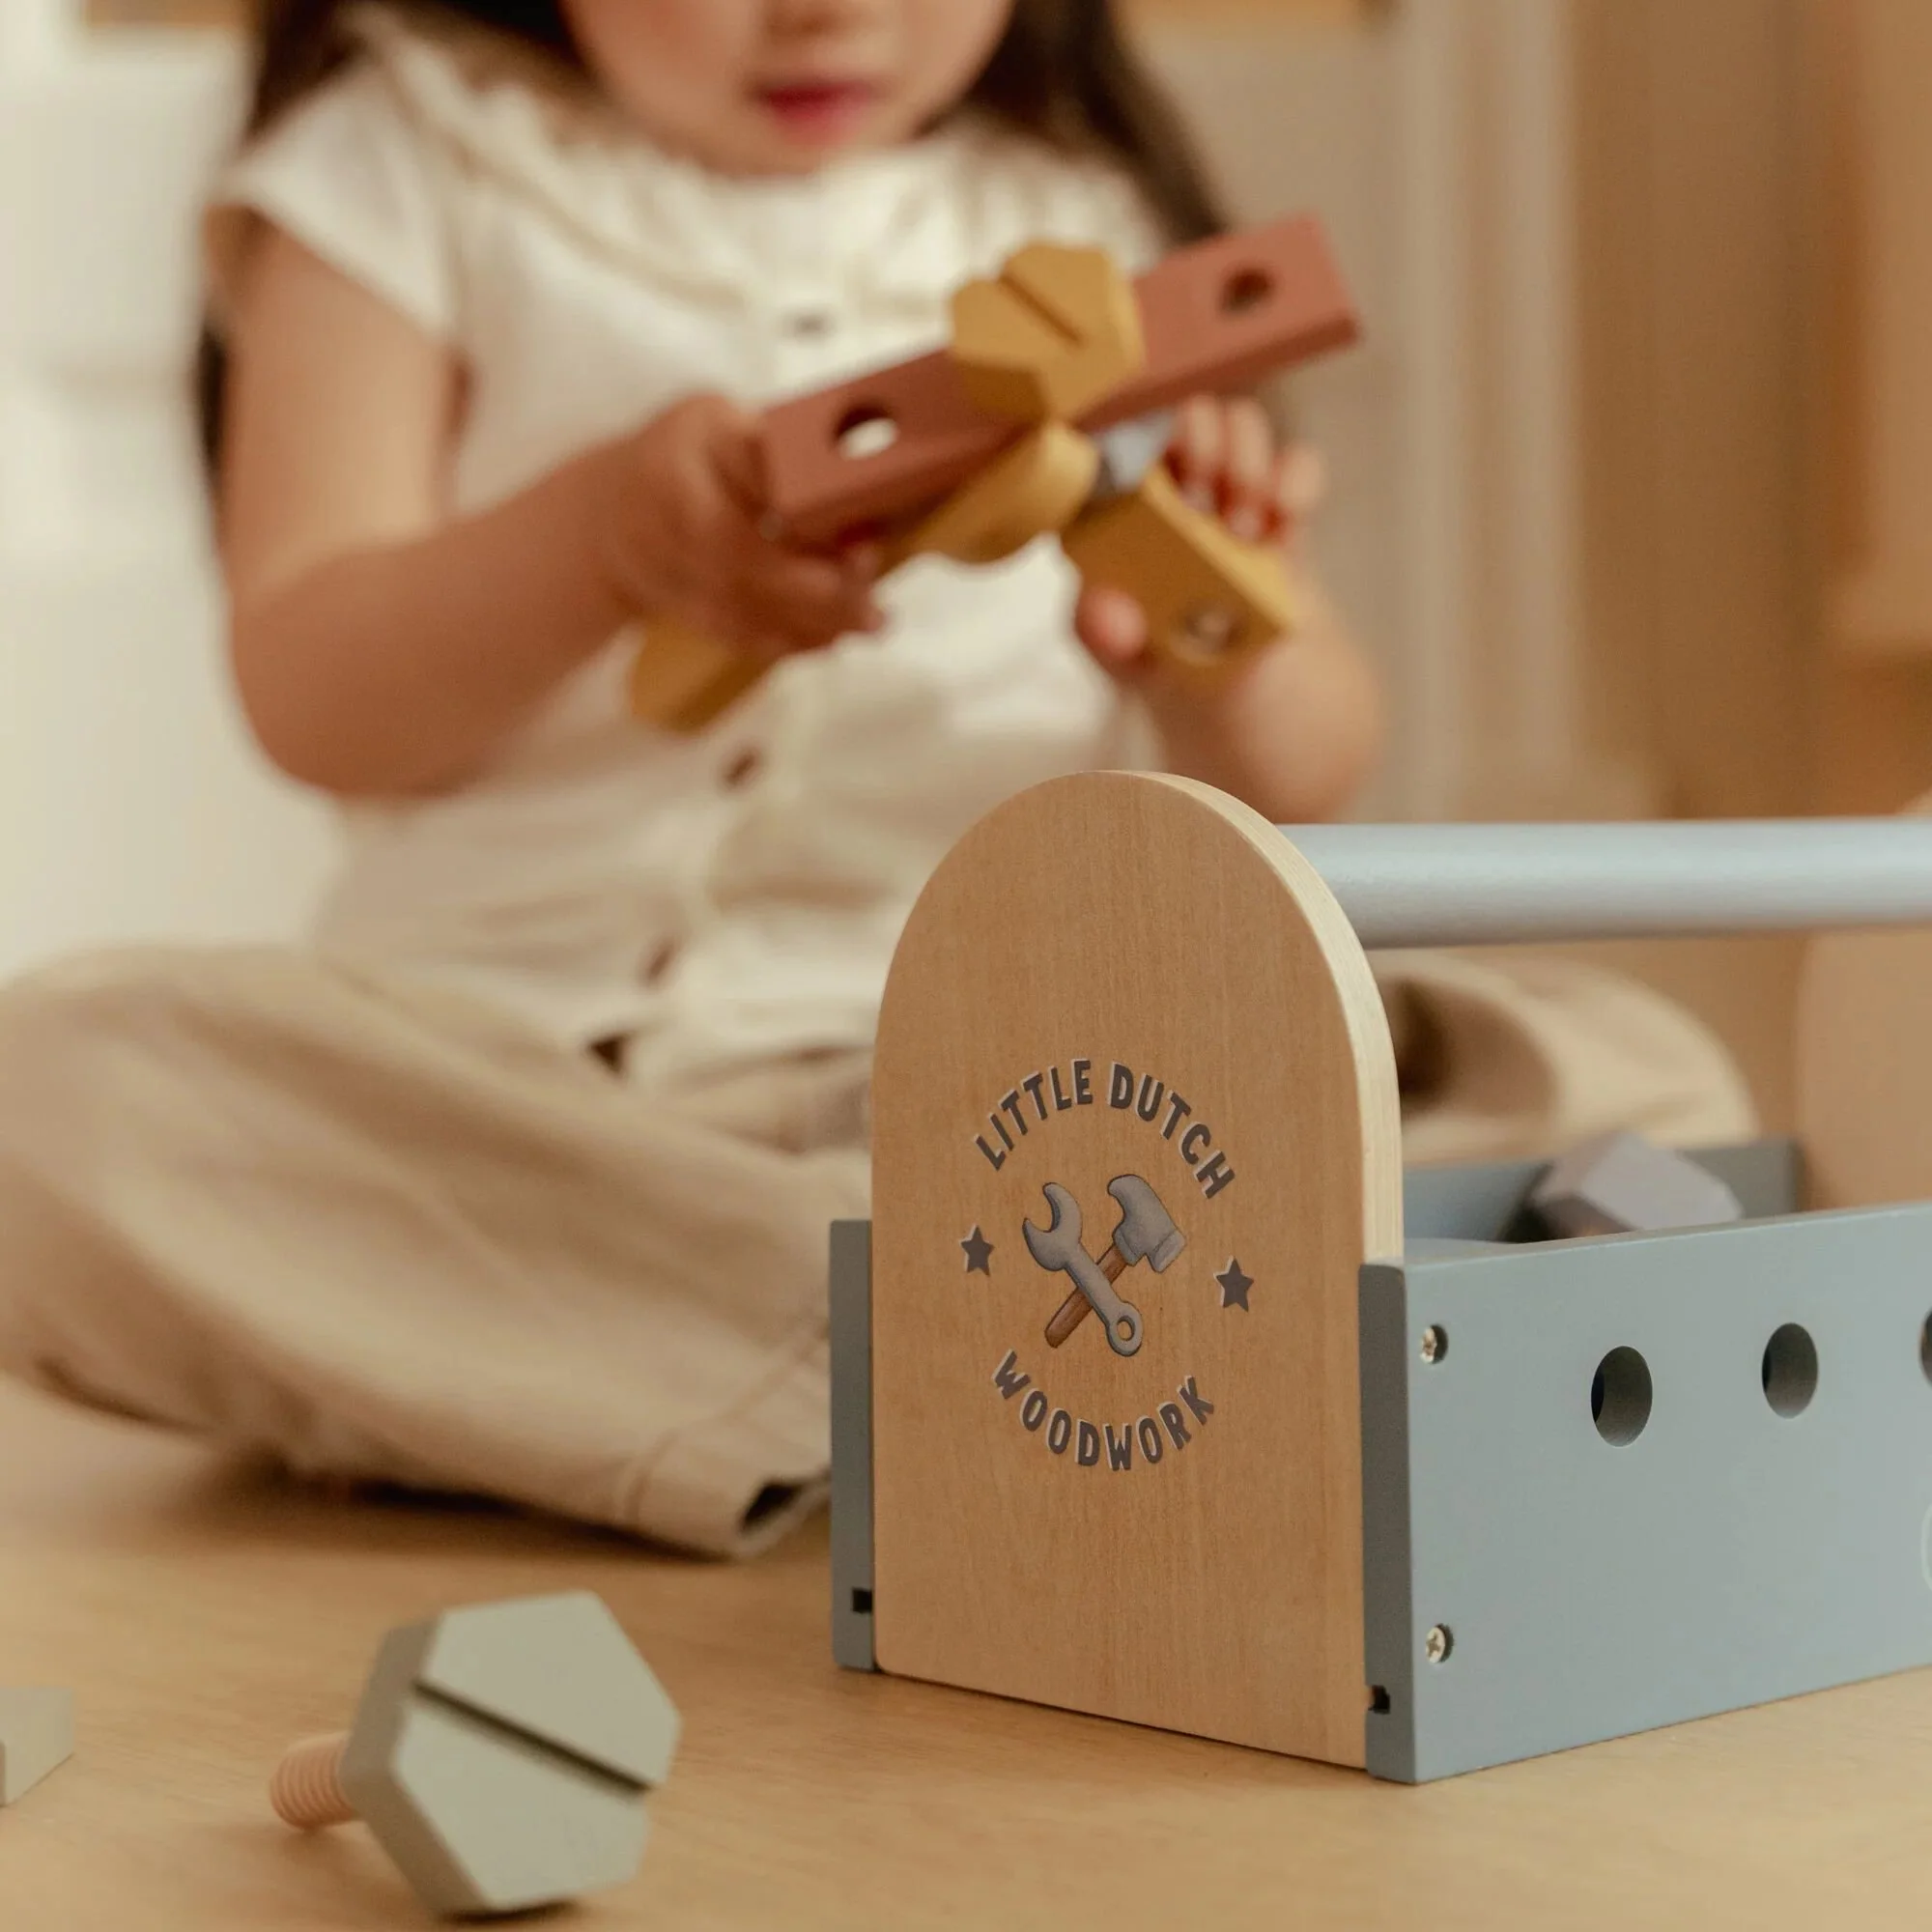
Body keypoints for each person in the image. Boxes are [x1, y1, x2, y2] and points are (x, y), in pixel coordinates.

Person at [0, 0, 1752, 1555]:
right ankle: (993, 1366)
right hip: (501, 1116)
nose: (827, 13)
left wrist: (1216, 632)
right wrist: (597, 545)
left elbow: (1310, 776)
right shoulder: (402, 159)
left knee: (1636, 1071)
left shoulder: (1076, 233)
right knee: (56, 1104)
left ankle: (736, 1378)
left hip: (979, 1125)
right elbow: (313, 693)